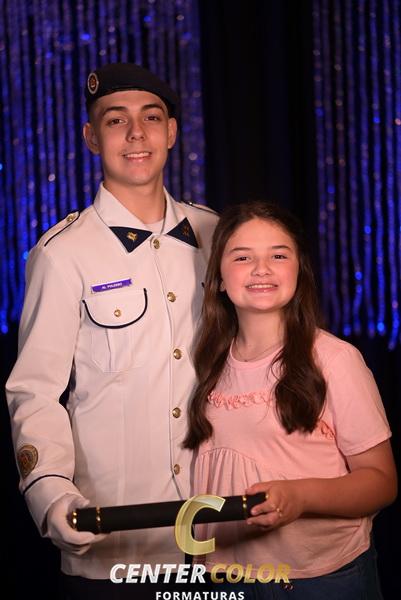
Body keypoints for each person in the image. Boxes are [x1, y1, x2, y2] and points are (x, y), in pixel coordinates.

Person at [6, 63, 218, 596]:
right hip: (116, 540)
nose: (136, 133)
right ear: (91, 138)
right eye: (116, 120)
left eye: (151, 117)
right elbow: (35, 391)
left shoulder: (216, 234)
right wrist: (52, 494)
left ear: (172, 132)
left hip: (221, 534)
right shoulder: (62, 253)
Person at [184, 200, 397, 599]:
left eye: (278, 255)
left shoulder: (334, 360)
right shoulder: (207, 362)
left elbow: (381, 482)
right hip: (226, 576)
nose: (261, 269)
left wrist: (299, 497)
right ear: (219, 279)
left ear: (299, 270)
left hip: (319, 580)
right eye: (243, 257)